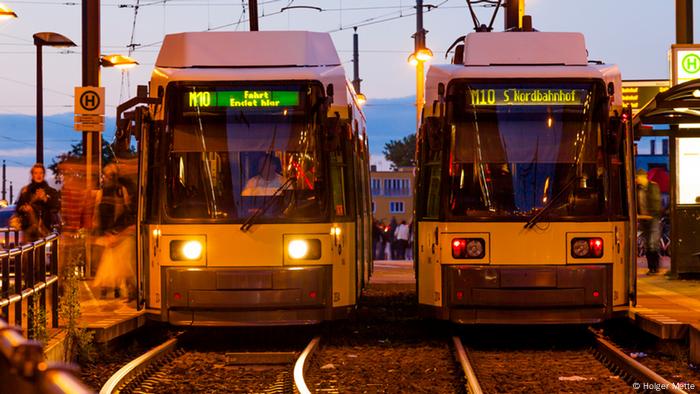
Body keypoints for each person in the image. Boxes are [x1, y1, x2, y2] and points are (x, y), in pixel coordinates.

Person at [92, 163, 135, 299]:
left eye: (108, 175)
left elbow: (124, 211)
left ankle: (117, 288)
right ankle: (109, 288)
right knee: (108, 261)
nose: (105, 178)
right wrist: (103, 231)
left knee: (117, 261)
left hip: (117, 231)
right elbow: (98, 213)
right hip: (107, 232)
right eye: (105, 175)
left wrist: (119, 231)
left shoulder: (121, 191)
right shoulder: (102, 193)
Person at [14, 163, 60, 242]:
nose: (38, 175)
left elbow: (56, 206)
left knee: (44, 253)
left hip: (45, 228)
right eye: (36, 173)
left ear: (44, 174)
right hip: (28, 229)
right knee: (28, 252)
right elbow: (18, 208)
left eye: (41, 173)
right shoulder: (25, 191)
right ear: (32, 175)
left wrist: (45, 199)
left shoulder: (51, 191)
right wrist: (25, 209)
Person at [636, 168, 662, 274]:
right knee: (647, 244)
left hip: (653, 218)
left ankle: (655, 267)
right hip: (643, 219)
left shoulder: (653, 186)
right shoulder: (637, 189)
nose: (637, 179)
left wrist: (651, 214)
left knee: (652, 243)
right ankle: (651, 268)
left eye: (638, 177)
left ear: (644, 177)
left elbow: (656, 202)